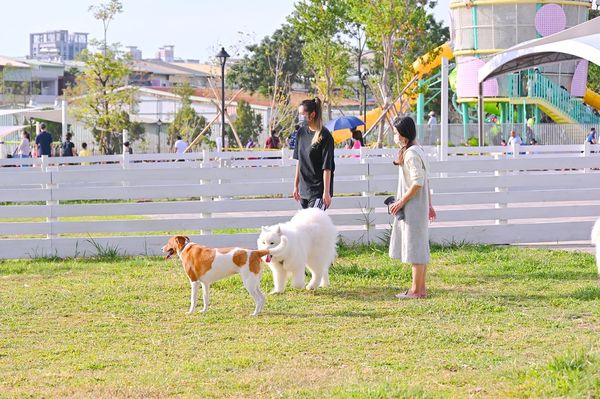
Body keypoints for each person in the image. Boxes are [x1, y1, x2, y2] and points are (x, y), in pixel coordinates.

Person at [388, 116, 436, 299]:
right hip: (420, 205)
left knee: (415, 247)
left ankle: (416, 290)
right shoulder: (418, 150)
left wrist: (400, 202)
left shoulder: (411, 154)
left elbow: (417, 182)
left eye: (396, 132)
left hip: (413, 207)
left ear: (403, 134)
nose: (395, 136)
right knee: (420, 246)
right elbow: (426, 180)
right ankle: (420, 289)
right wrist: (430, 205)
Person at [293, 97, 335, 210]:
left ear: (312, 115)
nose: (300, 117)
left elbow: (327, 167)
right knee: (306, 227)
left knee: (311, 225)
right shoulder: (301, 133)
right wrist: (295, 185)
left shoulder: (325, 136)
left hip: (318, 191)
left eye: (302, 114)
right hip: (304, 190)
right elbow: (299, 161)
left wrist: (326, 192)